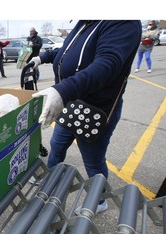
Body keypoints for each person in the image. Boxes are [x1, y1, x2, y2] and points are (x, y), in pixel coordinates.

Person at [30, 20, 142, 214]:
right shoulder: (85, 22)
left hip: (94, 111)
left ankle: (99, 201)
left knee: (93, 161)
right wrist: (43, 57)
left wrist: (63, 90)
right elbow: (69, 52)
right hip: (71, 104)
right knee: (56, 147)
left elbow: (107, 63)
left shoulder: (123, 20)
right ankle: (49, 184)